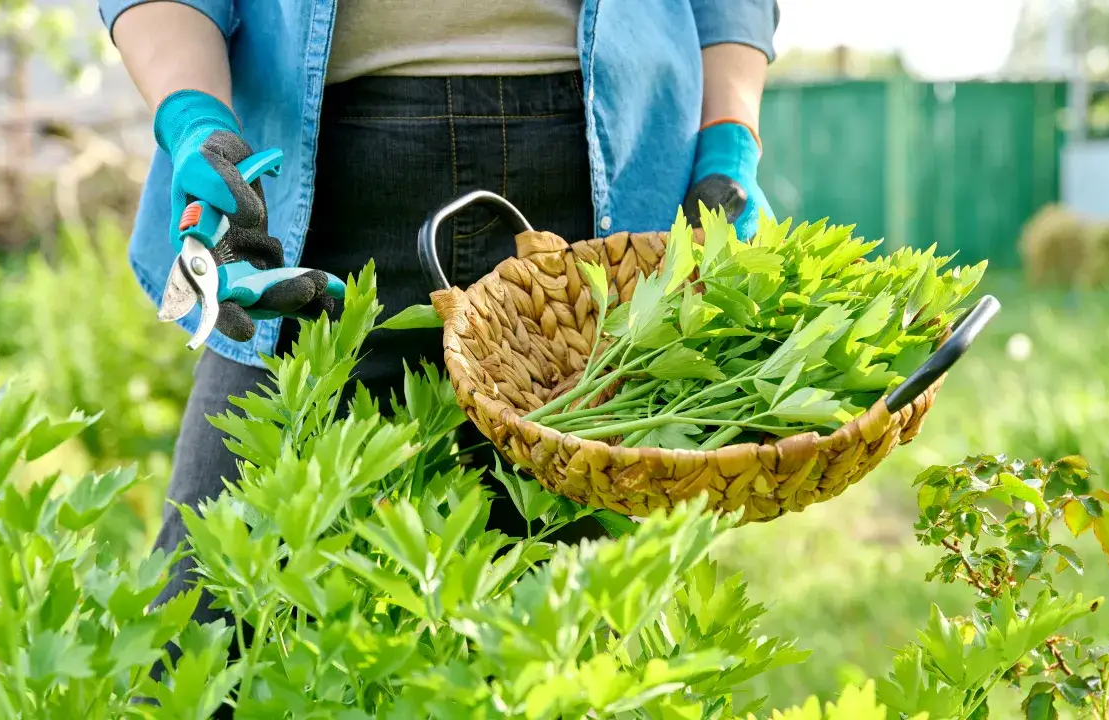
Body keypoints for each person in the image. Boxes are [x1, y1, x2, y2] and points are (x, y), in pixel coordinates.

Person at [99, 0, 778, 710]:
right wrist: (193, 116)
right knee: (204, 623)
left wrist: (729, 138)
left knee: (566, 658)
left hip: (596, 194)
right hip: (306, 192)